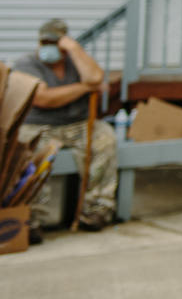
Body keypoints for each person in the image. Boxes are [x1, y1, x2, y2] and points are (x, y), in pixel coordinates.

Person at [11, 18, 118, 241]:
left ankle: (96, 210)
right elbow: (45, 99)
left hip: (77, 124)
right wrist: (85, 87)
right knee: (32, 155)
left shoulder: (74, 61)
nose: (49, 46)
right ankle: (31, 219)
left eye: (55, 41)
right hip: (40, 126)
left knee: (105, 137)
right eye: (45, 41)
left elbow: (96, 77)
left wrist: (75, 49)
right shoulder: (26, 63)